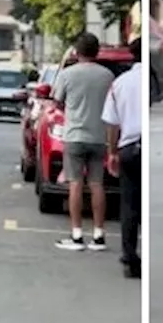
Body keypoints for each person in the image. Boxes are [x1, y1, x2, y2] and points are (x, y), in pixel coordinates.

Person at [51, 33, 116, 252]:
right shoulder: (107, 76)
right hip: (99, 137)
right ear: (97, 52)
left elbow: (57, 102)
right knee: (97, 185)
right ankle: (99, 235)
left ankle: (77, 235)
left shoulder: (68, 74)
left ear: (76, 52)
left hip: (75, 136)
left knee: (76, 184)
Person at [103, 37, 144, 279]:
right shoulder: (153, 81)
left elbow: (112, 122)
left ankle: (130, 257)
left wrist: (112, 152)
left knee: (129, 205)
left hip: (129, 147)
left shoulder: (120, 83)